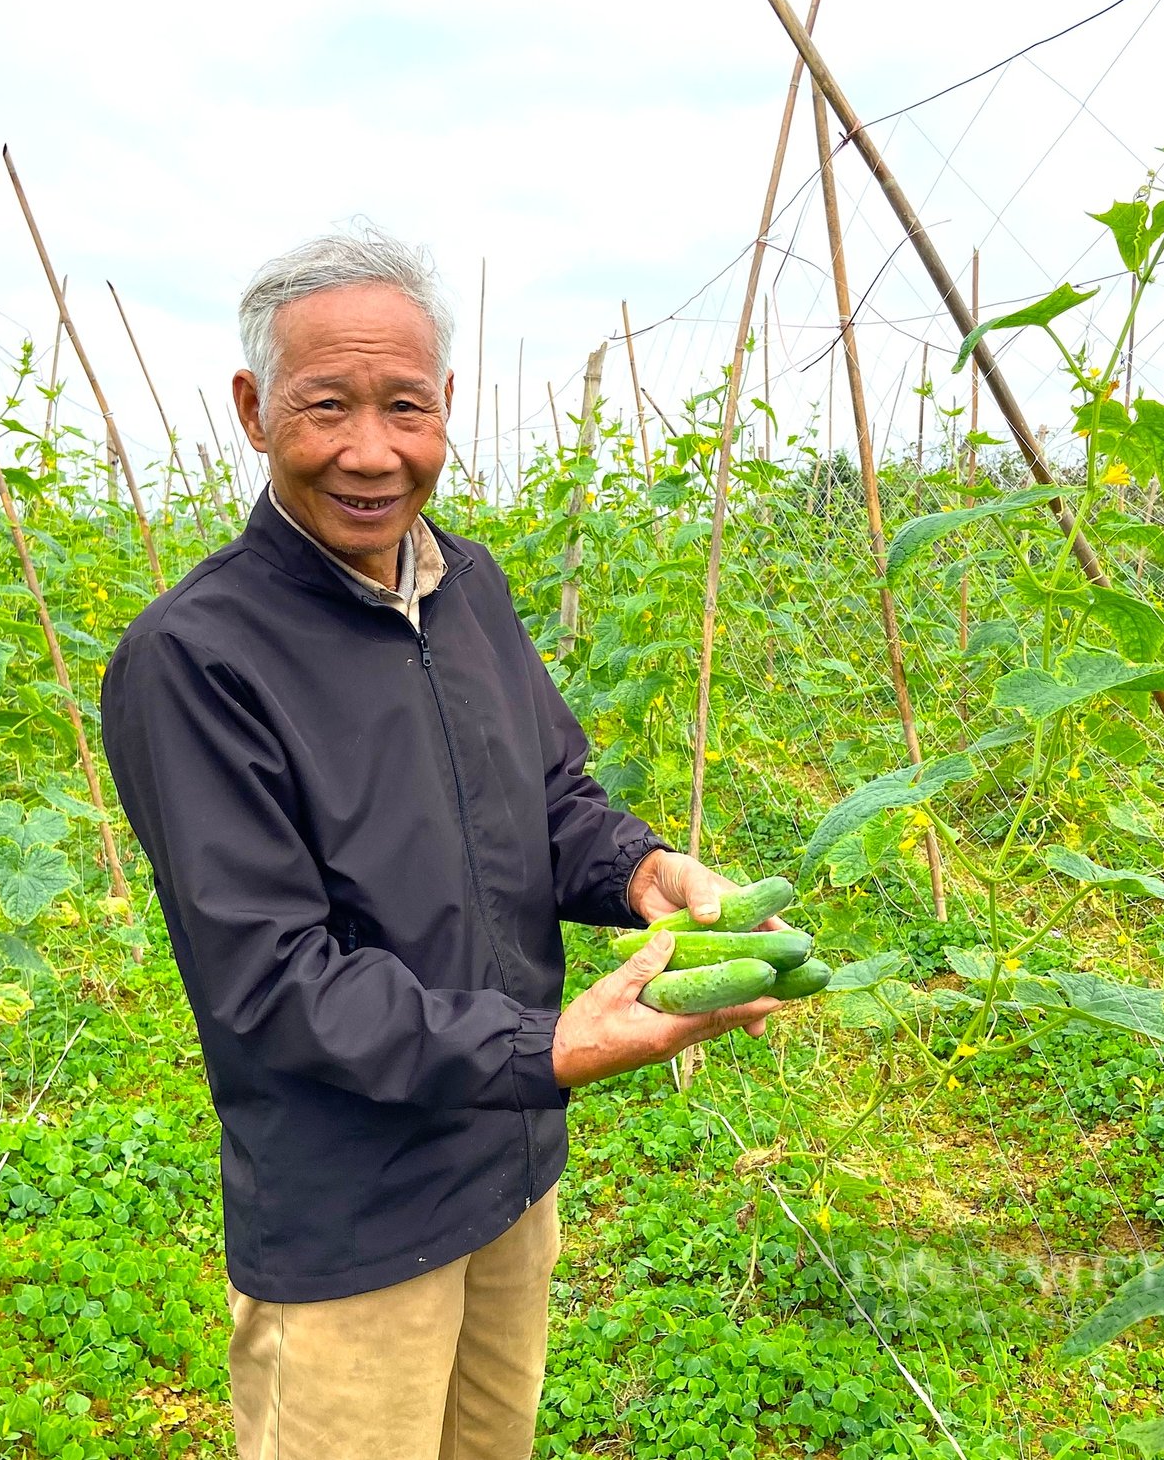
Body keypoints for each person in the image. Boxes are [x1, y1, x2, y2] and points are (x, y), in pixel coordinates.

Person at [100, 226, 780, 1460]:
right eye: (326, 408)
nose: (372, 451)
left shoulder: (465, 586)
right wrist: (556, 1041)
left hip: (508, 1168)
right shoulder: (194, 660)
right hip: (352, 1216)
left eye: (404, 406)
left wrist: (640, 872)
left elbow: (547, 797)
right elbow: (271, 984)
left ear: (446, 408)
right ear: (254, 411)